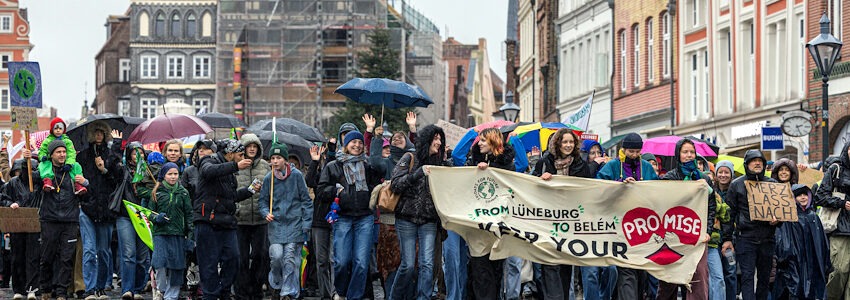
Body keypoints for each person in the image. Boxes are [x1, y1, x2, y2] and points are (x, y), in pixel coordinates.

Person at [386, 125, 451, 300]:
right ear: (427, 140)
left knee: (427, 264)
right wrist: (417, 174)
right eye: (435, 138)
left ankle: (423, 297)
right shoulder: (410, 157)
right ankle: (394, 297)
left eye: (440, 139)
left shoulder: (440, 163)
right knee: (407, 265)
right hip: (406, 218)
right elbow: (395, 184)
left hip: (429, 220)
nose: (438, 142)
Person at [318, 131, 383, 300]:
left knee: (361, 264)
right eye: (353, 142)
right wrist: (336, 190)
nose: (357, 145)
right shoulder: (333, 166)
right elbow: (321, 191)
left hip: (364, 217)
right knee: (341, 262)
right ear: (346, 145)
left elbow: (376, 184)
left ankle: (354, 296)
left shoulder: (368, 165)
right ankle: (341, 291)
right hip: (343, 217)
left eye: (360, 142)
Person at [532, 129, 596, 300]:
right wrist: (540, 179)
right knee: (550, 265)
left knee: (565, 269)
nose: (568, 145)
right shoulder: (545, 162)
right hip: (548, 223)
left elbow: (588, 191)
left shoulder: (580, 165)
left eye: (571, 142)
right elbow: (530, 188)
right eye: (564, 142)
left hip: (571, 224)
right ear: (557, 143)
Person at [596, 133, 659, 300]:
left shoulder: (646, 167)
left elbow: (657, 190)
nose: (634, 155)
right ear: (623, 150)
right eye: (631, 151)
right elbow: (598, 186)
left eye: (637, 151)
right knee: (626, 272)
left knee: (641, 274)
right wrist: (618, 184)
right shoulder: (613, 166)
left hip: (643, 227)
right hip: (619, 227)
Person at [194, 139, 259, 300]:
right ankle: (210, 295)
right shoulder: (208, 160)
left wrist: (250, 190)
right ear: (229, 153)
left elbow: (231, 197)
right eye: (240, 154)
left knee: (234, 259)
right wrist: (236, 166)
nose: (243, 157)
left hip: (226, 223)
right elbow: (208, 172)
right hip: (207, 222)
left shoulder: (230, 174)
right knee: (209, 264)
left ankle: (224, 291)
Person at [657, 138, 717, 300]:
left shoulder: (705, 179)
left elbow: (711, 207)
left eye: (692, 152)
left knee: (698, 278)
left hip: (697, 237)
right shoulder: (670, 178)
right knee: (668, 280)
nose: (689, 155)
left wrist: (708, 232)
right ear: (678, 155)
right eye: (685, 152)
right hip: (673, 237)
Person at [465, 128, 516, 299]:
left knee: (495, 270)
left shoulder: (507, 163)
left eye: (483, 141)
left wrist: (491, 169)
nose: (479, 143)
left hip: (497, 224)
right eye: (479, 140)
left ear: (493, 142)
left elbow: (510, 187)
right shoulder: (474, 161)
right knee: (479, 268)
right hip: (478, 224)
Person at [259, 143, 313, 300]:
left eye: (278, 158)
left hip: (294, 223)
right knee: (276, 256)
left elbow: (306, 201)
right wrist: (265, 213)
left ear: (285, 159)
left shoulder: (296, 176)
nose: (275, 161)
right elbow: (262, 201)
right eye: (273, 158)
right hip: (276, 224)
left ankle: (287, 292)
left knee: (290, 258)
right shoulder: (269, 178)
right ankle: (276, 280)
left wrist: (306, 224)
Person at [37, 139, 88, 300]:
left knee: (66, 258)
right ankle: (46, 288)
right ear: (51, 154)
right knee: (47, 257)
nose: (62, 154)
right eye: (58, 152)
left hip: (70, 220)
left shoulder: (72, 170)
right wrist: (26, 162)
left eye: (64, 152)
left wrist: (85, 183)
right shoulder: (45, 170)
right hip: (49, 219)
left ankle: (61, 292)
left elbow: (86, 191)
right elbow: (28, 178)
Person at [725, 149, 779, 300]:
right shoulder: (736, 185)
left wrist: (778, 220)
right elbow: (730, 214)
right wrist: (728, 238)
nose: (757, 163)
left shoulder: (772, 184)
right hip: (746, 239)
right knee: (747, 278)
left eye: (760, 161)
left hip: (767, 239)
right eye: (753, 161)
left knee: (764, 278)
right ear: (746, 164)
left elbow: (779, 211)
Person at [77, 123, 118, 300]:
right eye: (96, 132)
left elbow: (117, 180)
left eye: (102, 132)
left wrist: (104, 169)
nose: (99, 135)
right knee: (89, 250)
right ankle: (90, 288)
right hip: (87, 207)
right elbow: (77, 181)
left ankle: (101, 286)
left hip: (106, 210)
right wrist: (84, 184)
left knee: (103, 251)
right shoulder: (83, 157)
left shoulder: (110, 155)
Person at [773, 184, 831, 299]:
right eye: (799, 195)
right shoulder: (788, 217)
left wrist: (825, 264)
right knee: (796, 290)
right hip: (794, 262)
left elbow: (822, 243)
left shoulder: (813, 217)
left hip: (813, 263)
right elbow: (783, 242)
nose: (803, 197)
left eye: (805, 194)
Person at [148, 162, 193, 300]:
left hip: (178, 234)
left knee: (176, 265)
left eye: (175, 174)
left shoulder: (183, 192)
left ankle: (171, 295)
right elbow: (149, 213)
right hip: (161, 234)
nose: (173, 177)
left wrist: (190, 236)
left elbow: (189, 214)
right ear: (163, 175)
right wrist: (157, 217)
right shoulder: (157, 192)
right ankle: (160, 288)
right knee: (159, 262)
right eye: (170, 174)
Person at [235, 133, 272, 300]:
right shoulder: (235, 165)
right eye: (248, 146)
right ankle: (241, 291)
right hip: (240, 220)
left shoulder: (265, 166)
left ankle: (256, 289)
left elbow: (272, 190)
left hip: (260, 219)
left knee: (260, 255)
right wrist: (235, 208)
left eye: (254, 146)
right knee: (241, 257)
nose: (251, 149)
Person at [114, 141, 152, 300]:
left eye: (141, 153)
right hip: (126, 215)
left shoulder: (149, 171)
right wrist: (116, 145)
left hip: (143, 215)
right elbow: (112, 163)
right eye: (135, 153)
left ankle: (138, 288)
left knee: (143, 256)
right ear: (129, 155)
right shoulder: (123, 170)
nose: (138, 156)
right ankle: (127, 289)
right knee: (129, 253)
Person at [3, 156, 41, 300]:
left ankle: (32, 287)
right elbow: (4, 198)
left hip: (34, 223)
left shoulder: (37, 184)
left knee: (33, 257)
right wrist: (10, 204)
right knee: (17, 256)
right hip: (17, 223)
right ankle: (18, 289)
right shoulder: (12, 183)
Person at [817, 141, 850, 299]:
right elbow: (820, 196)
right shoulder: (836, 169)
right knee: (839, 271)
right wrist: (842, 204)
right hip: (840, 229)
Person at [305, 143, 334, 300]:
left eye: (325, 154)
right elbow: (309, 180)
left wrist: (330, 154)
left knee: (334, 260)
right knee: (321, 260)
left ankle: (335, 292)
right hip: (319, 220)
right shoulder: (318, 174)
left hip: (337, 218)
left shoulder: (336, 169)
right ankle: (325, 295)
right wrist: (314, 161)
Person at [38, 117, 86, 194]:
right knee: (45, 165)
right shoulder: (47, 140)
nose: (58, 130)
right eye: (55, 128)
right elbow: (42, 150)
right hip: (50, 160)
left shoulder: (68, 141)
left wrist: (69, 163)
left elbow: (71, 153)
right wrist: (43, 156)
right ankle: (47, 180)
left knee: (76, 166)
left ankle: (77, 185)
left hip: (67, 162)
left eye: (60, 128)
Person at [715, 160, 739, 300]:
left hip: (731, 241)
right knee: (716, 275)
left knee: (730, 271)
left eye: (726, 172)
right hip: (714, 240)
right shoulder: (711, 190)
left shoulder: (736, 191)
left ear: (731, 174)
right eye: (720, 172)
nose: (723, 175)